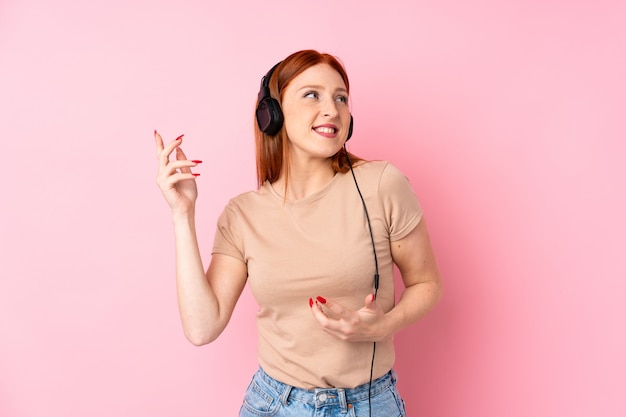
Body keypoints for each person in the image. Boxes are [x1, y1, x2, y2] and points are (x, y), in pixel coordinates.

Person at [155, 49, 442, 417]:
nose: (332, 109)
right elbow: (202, 327)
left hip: (369, 403)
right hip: (275, 404)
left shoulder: (382, 183)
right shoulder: (243, 214)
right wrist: (183, 214)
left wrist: (383, 325)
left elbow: (427, 283)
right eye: (312, 95)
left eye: (341, 98)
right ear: (270, 115)